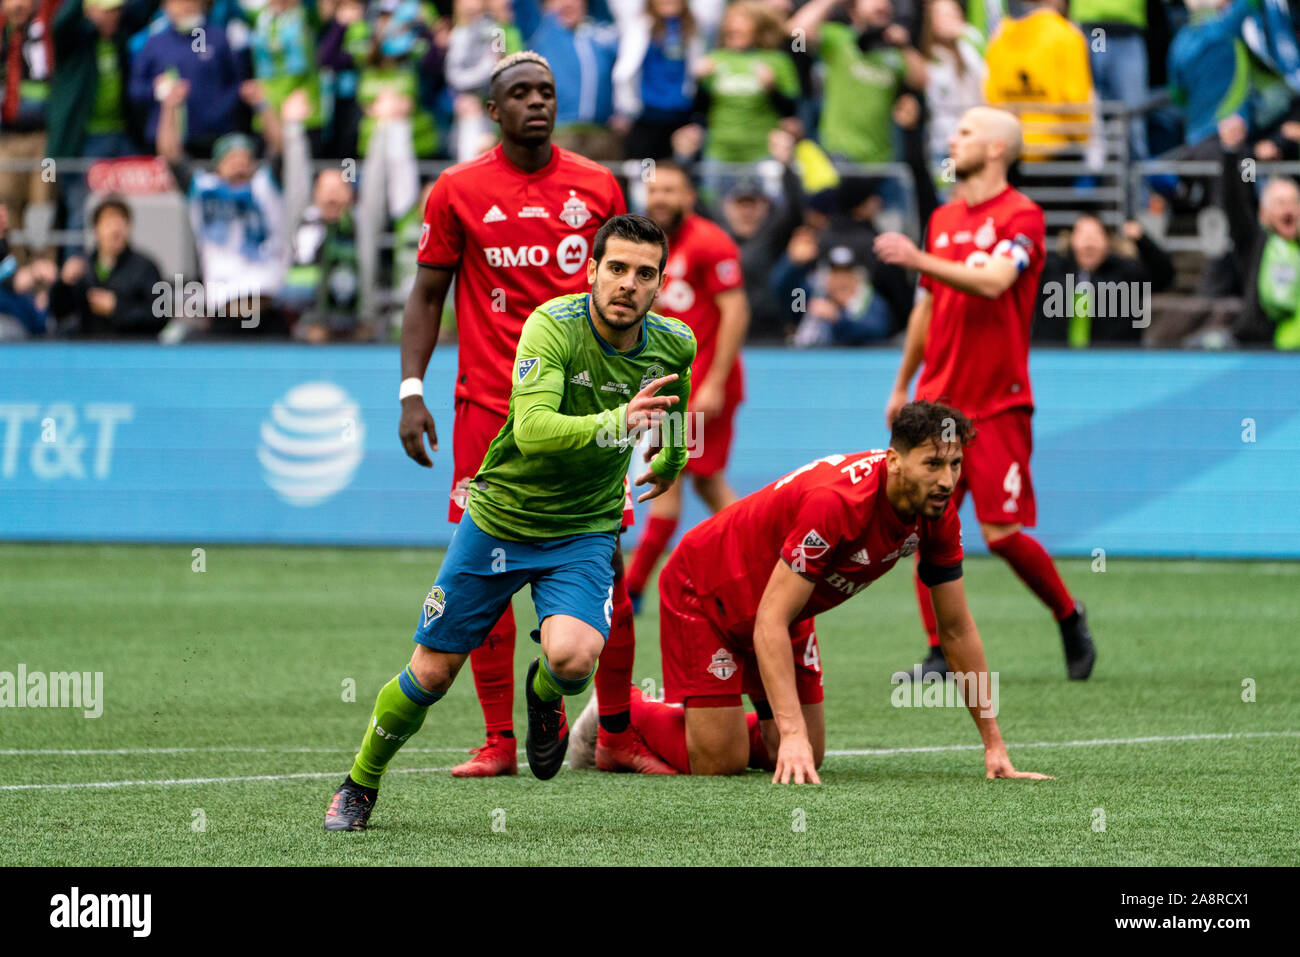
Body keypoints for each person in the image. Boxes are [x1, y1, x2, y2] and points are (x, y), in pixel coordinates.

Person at [323, 214, 697, 829]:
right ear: (592, 271)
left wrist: (674, 452)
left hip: (583, 528)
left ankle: (544, 696)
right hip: (501, 518)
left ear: (659, 285)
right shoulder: (551, 326)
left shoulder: (673, 341)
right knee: (432, 673)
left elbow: (677, 391)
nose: (629, 283)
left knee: (575, 660)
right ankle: (360, 782)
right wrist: (618, 422)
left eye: (644, 273)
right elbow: (534, 430)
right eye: (618, 269)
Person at [393, 52, 655, 779]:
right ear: (492, 109)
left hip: (590, 411)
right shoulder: (457, 190)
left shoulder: (597, 185)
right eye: (520, 92)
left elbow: (632, 298)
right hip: (489, 414)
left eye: (546, 90)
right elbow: (425, 295)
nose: (537, 102)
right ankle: (499, 742)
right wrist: (410, 389)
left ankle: (618, 733)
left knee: (609, 570)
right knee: (486, 581)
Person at [573, 400, 1052, 783]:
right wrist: (791, 733)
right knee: (721, 764)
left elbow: (956, 629)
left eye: (955, 464)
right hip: (705, 588)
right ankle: (620, 714)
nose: (947, 480)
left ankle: (727, 727)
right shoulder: (838, 503)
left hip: (783, 604)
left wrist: (994, 746)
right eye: (933, 464)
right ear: (895, 462)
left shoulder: (936, 511)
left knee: (807, 753)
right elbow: (768, 622)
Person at [875, 106, 1097, 680]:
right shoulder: (944, 218)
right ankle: (939, 652)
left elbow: (997, 281)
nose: (955, 137)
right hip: (935, 403)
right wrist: (902, 383)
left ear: (998, 148)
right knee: (923, 524)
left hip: (998, 404)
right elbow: (926, 304)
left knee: (1001, 535)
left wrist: (920, 257)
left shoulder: (1023, 216)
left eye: (967, 131)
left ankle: (1069, 615)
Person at [624, 161, 748, 620]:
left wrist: (714, 381)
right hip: (668, 389)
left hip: (700, 390)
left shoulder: (710, 242)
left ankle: (631, 590)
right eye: (655, 190)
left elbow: (736, 312)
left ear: (689, 195)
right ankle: (755, 562)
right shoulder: (646, 245)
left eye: (671, 190)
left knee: (669, 483)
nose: (661, 198)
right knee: (705, 482)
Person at [129, 0, 248, 159]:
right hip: (167, 140)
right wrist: (158, 90)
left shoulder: (219, 38)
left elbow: (238, 84)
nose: (186, 5)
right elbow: (135, 89)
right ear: (166, 6)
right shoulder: (154, 42)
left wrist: (218, 114)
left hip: (215, 140)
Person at [1033, 214, 1174, 346]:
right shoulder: (1050, 272)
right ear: (1071, 240)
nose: (1089, 242)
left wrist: (1142, 239)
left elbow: (1165, 275)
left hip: (1113, 363)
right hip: (1053, 363)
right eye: (1083, 235)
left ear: (1107, 242)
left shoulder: (1127, 275)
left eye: (1095, 235)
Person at [48, 195, 165, 337]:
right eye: (108, 223)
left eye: (121, 223)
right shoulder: (82, 268)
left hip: (131, 349)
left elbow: (160, 315)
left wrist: (117, 308)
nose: (115, 230)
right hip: (88, 349)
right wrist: (63, 283)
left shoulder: (146, 267)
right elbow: (59, 312)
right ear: (96, 229)